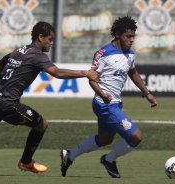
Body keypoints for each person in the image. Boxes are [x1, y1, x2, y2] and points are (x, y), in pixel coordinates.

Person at [0, 21, 99, 175]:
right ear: (40, 37)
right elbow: (57, 73)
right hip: (6, 103)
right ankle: (26, 162)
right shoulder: (37, 55)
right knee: (42, 124)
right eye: (50, 39)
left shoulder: (20, 50)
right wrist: (85, 73)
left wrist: (2, 82)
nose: (51, 43)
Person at [60, 16, 157, 178]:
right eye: (128, 36)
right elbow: (92, 79)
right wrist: (103, 94)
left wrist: (147, 93)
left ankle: (69, 155)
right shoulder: (103, 53)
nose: (131, 40)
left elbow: (132, 72)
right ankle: (109, 159)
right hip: (104, 104)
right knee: (136, 136)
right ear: (118, 34)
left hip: (115, 103)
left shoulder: (130, 54)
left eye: (133, 36)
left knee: (105, 139)